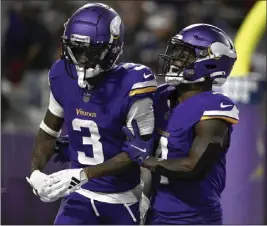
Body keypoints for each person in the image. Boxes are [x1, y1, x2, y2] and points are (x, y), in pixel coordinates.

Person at [26, 3, 157, 225]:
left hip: (122, 199)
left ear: (112, 49)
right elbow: (48, 131)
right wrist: (36, 172)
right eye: (75, 50)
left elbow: (139, 151)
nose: (81, 59)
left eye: (90, 52)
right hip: (79, 197)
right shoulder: (61, 75)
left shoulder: (134, 83)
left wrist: (83, 174)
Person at [122, 23, 239, 224]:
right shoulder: (161, 96)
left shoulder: (214, 109)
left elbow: (192, 167)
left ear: (211, 63)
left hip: (193, 218)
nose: (175, 59)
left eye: (185, 55)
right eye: (176, 52)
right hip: (154, 212)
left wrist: (145, 159)